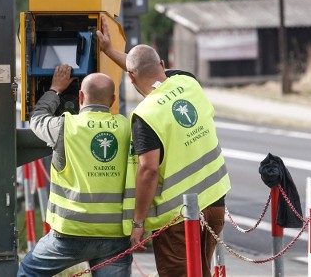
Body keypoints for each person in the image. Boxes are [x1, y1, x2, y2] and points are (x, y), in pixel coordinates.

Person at [97, 20, 231, 277]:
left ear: (131, 77)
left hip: (177, 219)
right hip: (214, 204)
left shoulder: (146, 115)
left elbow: (148, 171)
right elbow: (142, 63)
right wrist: (110, 51)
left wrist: (138, 223)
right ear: (162, 66)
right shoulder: (188, 82)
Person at [18, 66, 133, 277]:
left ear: (80, 96)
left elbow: (37, 118)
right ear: (113, 99)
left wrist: (55, 89)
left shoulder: (65, 126)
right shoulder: (127, 128)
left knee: (29, 271)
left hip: (69, 232)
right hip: (115, 233)